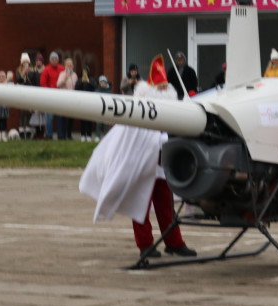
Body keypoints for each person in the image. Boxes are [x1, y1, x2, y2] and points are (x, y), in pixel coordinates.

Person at [79, 55, 197, 259]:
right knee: (140, 204)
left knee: (166, 206)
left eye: (164, 87)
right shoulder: (140, 112)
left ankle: (174, 242)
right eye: (158, 87)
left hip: (162, 165)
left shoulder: (169, 111)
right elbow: (129, 140)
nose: (162, 90)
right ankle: (145, 245)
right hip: (142, 164)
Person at [40, 51, 63, 139]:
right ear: (50, 60)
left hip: (60, 95)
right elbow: (43, 83)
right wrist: (48, 92)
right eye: (53, 59)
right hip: (50, 95)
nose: (54, 60)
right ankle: (49, 135)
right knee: (49, 117)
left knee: (60, 116)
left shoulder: (62, 68)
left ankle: (61, 135)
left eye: (56, 59)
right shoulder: (46, 69)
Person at [56, 58, 78, 140]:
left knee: (71, 117)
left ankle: (69, 134)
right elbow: (58, 84)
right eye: (68, 65)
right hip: (63, 98)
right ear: (65, 66)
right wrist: (65, 78)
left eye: (71, 65)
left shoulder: (75, 75)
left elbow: (76, 86)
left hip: (72, 98)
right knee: (62, 117)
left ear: (73, 66)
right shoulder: (62, 74)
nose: (69, 66)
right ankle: (62, 135)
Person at [15, 53, 34, 139]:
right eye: (24, 61)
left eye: (27, 61)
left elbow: (32, 80)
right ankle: (22, 130)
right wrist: (23, 73)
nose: (25, 62)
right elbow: (18, 79)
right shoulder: (18, 70)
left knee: (29, 112)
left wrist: (28, 71)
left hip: (29, 92)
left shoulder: (32, 70)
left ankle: (28, 130)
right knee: (22, 112)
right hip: (21, 92)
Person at [76, 67, 96, 141]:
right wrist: (81, 81)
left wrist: (88, 81)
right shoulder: (79, 80)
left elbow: (95, 87)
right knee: (83, 119)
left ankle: (89, 135)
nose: (84, 73)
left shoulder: (91, 79)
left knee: (89, 119)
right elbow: (76, 88)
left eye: (86, 71)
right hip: (81, 101)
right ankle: (83, 135)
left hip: (90, 101)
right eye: (83, 71)